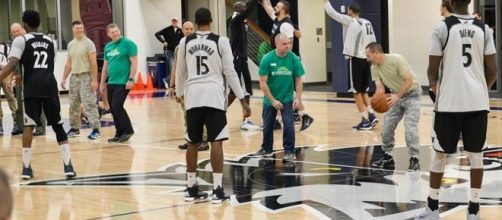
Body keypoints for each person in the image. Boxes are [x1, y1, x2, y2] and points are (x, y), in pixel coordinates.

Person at [416, 0, 497, 219]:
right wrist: (479, 89)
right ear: (470, 1)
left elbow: (432, 71)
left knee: (439, 156)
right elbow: (493, 70)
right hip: (477, 104)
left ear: (449, 2)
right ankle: (474, 211)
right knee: (476, 157)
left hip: (449, 104)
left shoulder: (442, 27)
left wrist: (435, 89)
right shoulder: (484, 29)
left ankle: (432, 208)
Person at [175, 7, 250, 203]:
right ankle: (217, 189)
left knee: (192, 141)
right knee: (216, 140)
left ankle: (191, 187)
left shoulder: (185, 42)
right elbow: (230, 72)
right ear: (211, 21)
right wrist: (242, 99)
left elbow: (180, 71)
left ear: (196, 22)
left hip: (193, 94)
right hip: (214, 94)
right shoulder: (221, 41)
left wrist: (179, 93)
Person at [0, 10, 76, 180]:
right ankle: (68, 166)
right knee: (57, 125)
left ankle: (26, 168)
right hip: (50, 86)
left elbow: (12, 63)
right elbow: (46, 64)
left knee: (29, 126)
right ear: (39, 23)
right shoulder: (51, 41)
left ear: (25, 24)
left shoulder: (21, 40)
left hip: (32, 88)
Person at [365, 42, 421, 172]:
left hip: (412, 94)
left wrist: (397, 96)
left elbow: (409, 80)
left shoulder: (396, 59)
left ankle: (414, 158)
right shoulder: (374, 67)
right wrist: (376, 101)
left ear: (377, 52)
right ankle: (387, 157)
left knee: (410, 127)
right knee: (387, 127)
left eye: (368, 56)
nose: (367, 59)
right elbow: (380, 88)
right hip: (394, 95)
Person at [325, 0, 378, 131]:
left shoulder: (350, 21)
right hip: (367, 59)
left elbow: (332, 13)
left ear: (350, 11)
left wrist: (325, 2)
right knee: (364, 89)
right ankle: (371, 114)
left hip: (356, 59)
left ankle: (364, 120)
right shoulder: (368, 23)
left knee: (355, 91)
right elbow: (374, 42)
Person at [262, 0, 314, 131]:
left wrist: (284, 62)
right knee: (281, 89)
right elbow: (268, 7)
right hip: (281, 59)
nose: (275, 7)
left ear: (283, 10)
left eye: (278, 6)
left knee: (287, 90)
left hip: (288, 61)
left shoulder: (286, 25)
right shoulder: (277, 19)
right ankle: (284, 119)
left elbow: (288, 45)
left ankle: (302, 115)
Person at [255, 33, 305, 162]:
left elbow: (298, 79)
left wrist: (298, 98)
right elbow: (263, 83)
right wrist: (273, 100)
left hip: (287, 98)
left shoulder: (294, 58)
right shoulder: (267, 59)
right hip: (270, 99)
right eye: (284, 44)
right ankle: (266, 149)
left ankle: (289, 151)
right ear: (277, 44)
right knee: (267, 126)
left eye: (289, 43)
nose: (288, 46)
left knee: (289, 125)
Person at [167, 21, 209, 151]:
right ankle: (191, 139)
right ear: (182, 30)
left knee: (199, 113)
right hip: (184, 86)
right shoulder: (179, 47)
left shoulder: (200, 44)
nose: (189, 31)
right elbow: (175, 66)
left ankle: (204, 140)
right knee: (187, 114)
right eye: (187, 29)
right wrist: (172, 85)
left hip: (198, 85)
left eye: (191, 29)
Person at [60, 21, 101, 140]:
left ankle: (96, 129)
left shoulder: (89, 43)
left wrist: (94, 80)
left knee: (89, 103)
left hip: (86, 76)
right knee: (73, 104)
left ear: (83, 29)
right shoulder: (71, 44)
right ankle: (75, 128)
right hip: (74, 77)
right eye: (77, 28)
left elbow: (94, 63)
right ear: (73, 30)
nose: (79, 30)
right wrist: (63, 78)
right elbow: (69, 63)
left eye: (81, 28)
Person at [100, 24, 137, 143]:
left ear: (119, 31)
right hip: (111, 81)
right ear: (108, 34)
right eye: (112, 32)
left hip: (123, 81)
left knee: (117, 105)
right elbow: (105, 66)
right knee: (113, 108)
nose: (115, 33)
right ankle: (119, 133)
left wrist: (131, 79)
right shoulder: (108, 47)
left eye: (116, 31)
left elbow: (134, 63)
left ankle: (128, 130)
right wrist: (102, 83)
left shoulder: (128, 43)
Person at [9, 22, 47, 136]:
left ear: (23, 29)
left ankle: (40, 127)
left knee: (37, 101)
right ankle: (21, 126)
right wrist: (10, 79)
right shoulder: (15, 43)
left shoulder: (28, 41)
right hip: (19, 78)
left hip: (32, 77)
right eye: (13, 32)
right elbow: (13, 64)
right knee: (20, 103)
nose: (16, 33)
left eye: (18, 30)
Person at [229, 0, 261, 131]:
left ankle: (246, 119)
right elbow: (248, 10)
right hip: (238, 59)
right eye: (243, 6)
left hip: (242, 58)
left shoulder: (240, 19)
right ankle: (219, 113)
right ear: (238, 9)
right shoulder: (236, 19)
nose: (245, 7)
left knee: (245, 89)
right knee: (237, 91)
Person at [0, 36, 17, 135]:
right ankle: (0, 125)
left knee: (11, 97)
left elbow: (11, 61)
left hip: (5, 74)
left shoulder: (6, 47)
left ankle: (16, 121)